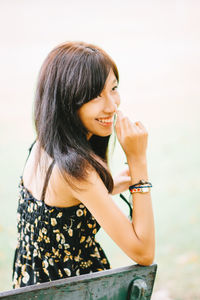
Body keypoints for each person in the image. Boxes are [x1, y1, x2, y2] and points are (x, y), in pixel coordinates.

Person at [12, 41, 155, 288]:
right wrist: (137, 159)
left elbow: (57, 213)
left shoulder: (44, 144)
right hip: (75, 291)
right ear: (68, 99)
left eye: (113, 88)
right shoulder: (78, 172)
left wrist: (107, 186)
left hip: (32, 286)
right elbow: (143, 251)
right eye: (96, 95)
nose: (112, 105)